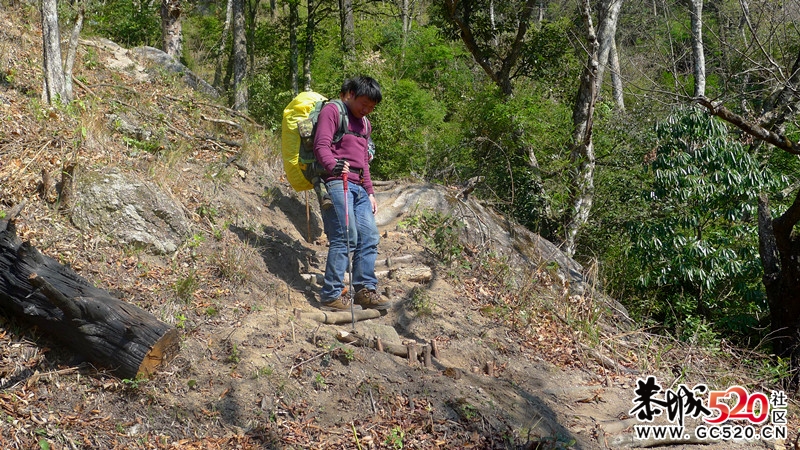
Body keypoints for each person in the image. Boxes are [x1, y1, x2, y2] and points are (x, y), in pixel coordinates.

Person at [313, 76, 389, 311]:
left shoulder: (366, 125)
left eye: (371, 107)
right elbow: (321, 145)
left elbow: (364, 162)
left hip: (359, 187)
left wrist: (371, 192)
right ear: (352, 95)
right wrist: (332, 164)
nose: (366, 110)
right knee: (346, 236)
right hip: (337, 182)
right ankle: (331, 294)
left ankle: (365, 289)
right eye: (363, 104)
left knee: (369, 237)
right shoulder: (333, 111)